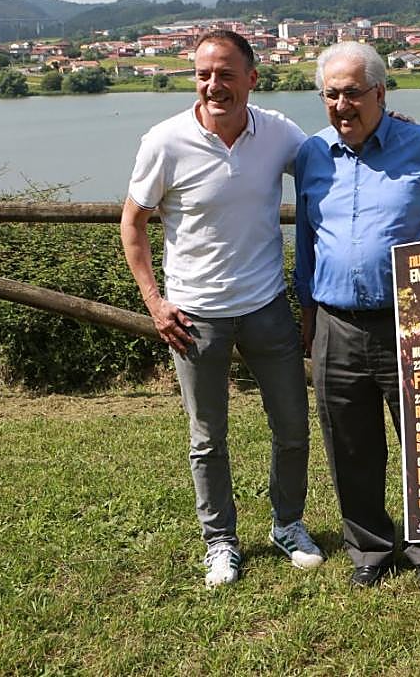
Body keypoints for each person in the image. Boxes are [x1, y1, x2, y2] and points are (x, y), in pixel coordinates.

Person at [120, 29, 322, 589]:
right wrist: (156, 304)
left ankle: (288, 524)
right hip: (194, 316)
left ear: (251, 79)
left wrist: (386, 119)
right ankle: (221, 542)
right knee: (207, 438)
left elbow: (333, 157)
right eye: (205, 74)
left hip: (266, 308)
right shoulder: (164, 141)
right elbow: (132, 224)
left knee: (292, 426)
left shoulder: (279, 133)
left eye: (227, 74)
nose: (215, 85)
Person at [294, 42, 420, 591]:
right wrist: (307, 312)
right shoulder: (311, 155)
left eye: (352, 93)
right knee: (348, 440)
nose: (342, 104)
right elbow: (305, 241)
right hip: (335, 321)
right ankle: (368, 545)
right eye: (331, 94)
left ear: (380, 94)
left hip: (412, 316)